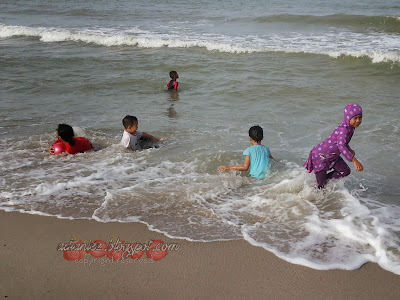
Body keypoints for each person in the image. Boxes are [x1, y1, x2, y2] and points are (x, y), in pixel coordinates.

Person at [304, 103, 364, 188]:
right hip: (320, 156)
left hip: (332, 156)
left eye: (360, 118)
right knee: (321, 186)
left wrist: (349, 149)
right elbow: (341, 146)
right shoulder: (344, 129)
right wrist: (354, 160)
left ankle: (325, 182)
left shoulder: (350, 127)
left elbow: (342, 142)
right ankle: (312, 193)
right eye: (355, 118)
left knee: (345, 171)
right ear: (348, 117)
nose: (358, 120)